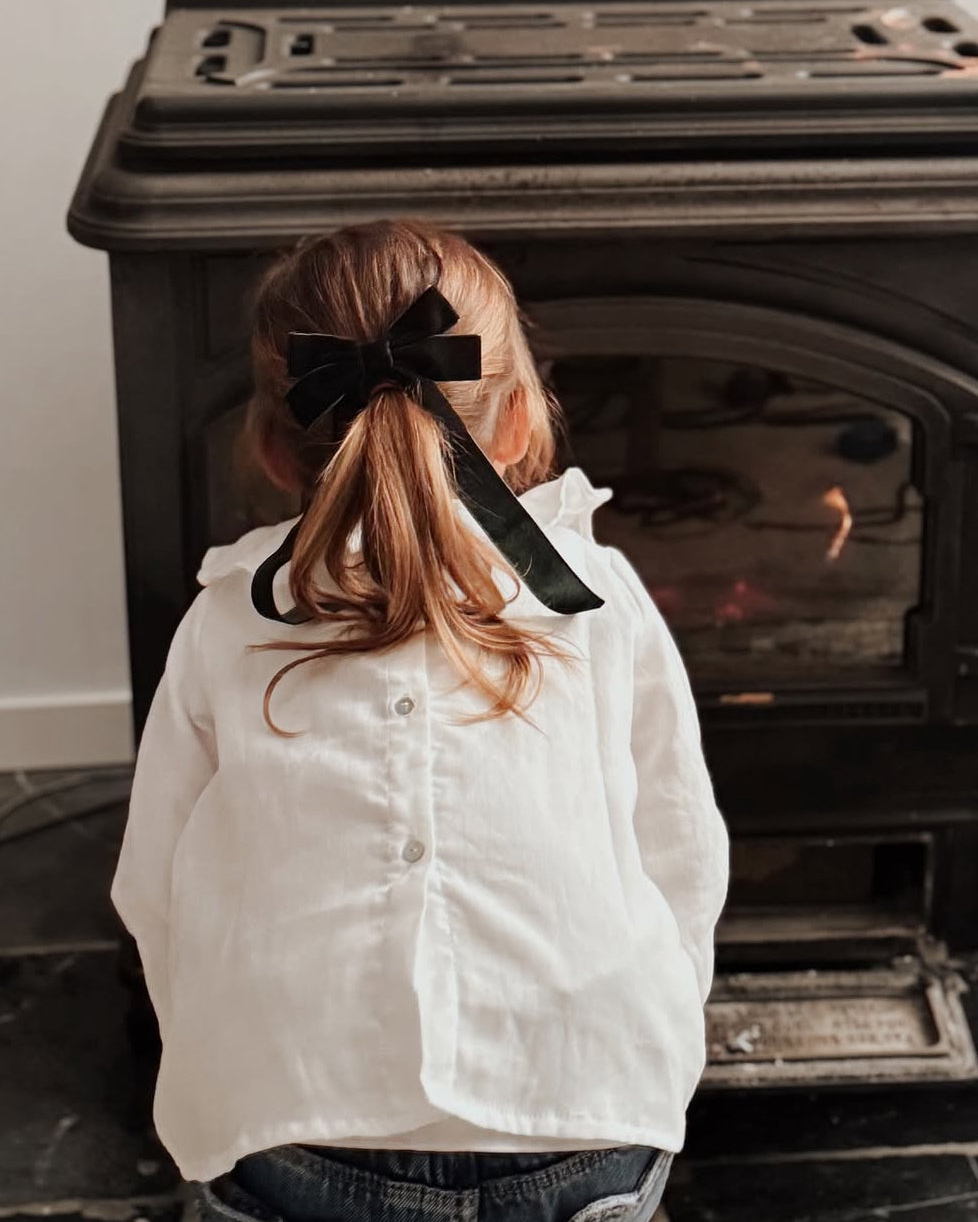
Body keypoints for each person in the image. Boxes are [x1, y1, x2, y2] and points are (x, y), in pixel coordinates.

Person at [109, 219, 730, 1222]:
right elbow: (682, 854)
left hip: (298, 1129)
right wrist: (649, 1036)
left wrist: (226, 1065)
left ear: (273, 447)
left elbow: (157, 890)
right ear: (521, 422)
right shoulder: (592, 597)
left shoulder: (229, 616)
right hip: (582, 1113)